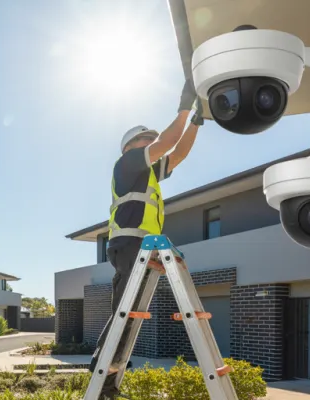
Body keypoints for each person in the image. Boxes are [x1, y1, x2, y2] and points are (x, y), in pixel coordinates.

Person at [88, 78, 203, 399]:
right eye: (146, 140)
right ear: (129, 147)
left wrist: (197, 121)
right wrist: (185, 107)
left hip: (144, 247)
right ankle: (101, 367)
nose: (152, 144)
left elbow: (177, 154)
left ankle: (107, 384)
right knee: (125, 311)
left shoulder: (146, 172)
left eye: (151, 140)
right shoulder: (127, 164)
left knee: (128, 312)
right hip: (129, 244)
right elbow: (168, 141)